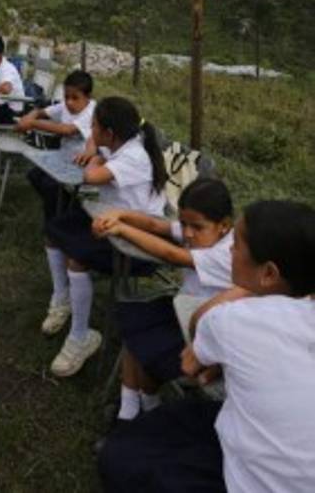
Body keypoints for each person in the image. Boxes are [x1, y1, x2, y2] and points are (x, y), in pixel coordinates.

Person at [98, 199, 315, 493]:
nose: (229, 250)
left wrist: (243, 292)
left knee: (123, 458)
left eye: (236, 246)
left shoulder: (236, 318)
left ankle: (132, 422)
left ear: (268, 274)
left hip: (247, 480)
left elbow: (193, 357)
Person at [42, 96, 167, 377]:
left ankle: (81, 337)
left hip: (135, 238)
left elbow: (90, 177)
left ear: (110, 133)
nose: (91, 130)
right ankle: (61, 298)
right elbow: (93, 148)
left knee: (77, 258)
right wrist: (95, 152)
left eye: (95, 125)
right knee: (53, 232)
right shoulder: (122, 142)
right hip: (110, 218)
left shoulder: (133, 156)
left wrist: (96, 158)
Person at [93, 178, 234, 422]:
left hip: (202, 332)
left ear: (224, 225)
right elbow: (156, 225)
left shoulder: (226, 253)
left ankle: (146, 408)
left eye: (196, 227)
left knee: (146, 351)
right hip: (183, 311)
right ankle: (131, 407)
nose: (187, 233)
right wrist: (119, 215)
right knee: (135, 322)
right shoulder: (206, 231)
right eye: (184, 224)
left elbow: (172, 254)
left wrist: (123, 229)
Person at [15, 70, 95, 221]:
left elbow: (68, 130)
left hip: (82, 163)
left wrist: (31, 123)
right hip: (63, 156)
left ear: (88, 97)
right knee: (34, 176)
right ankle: (61, 208)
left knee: (50, 185)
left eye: (75, 98)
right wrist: (31, 115)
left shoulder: (91, 112)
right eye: (66, 97)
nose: (69, 102)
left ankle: (57, 219)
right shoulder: (66, 105)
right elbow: (42, 112)